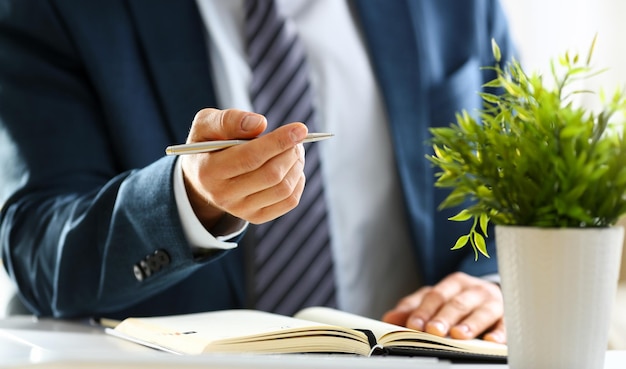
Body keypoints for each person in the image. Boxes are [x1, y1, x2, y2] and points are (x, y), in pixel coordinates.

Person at [0, 0, 513, 344]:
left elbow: (537, 195)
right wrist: (184, 202)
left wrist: (499, 288)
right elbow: (39, 249)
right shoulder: (56, 12)